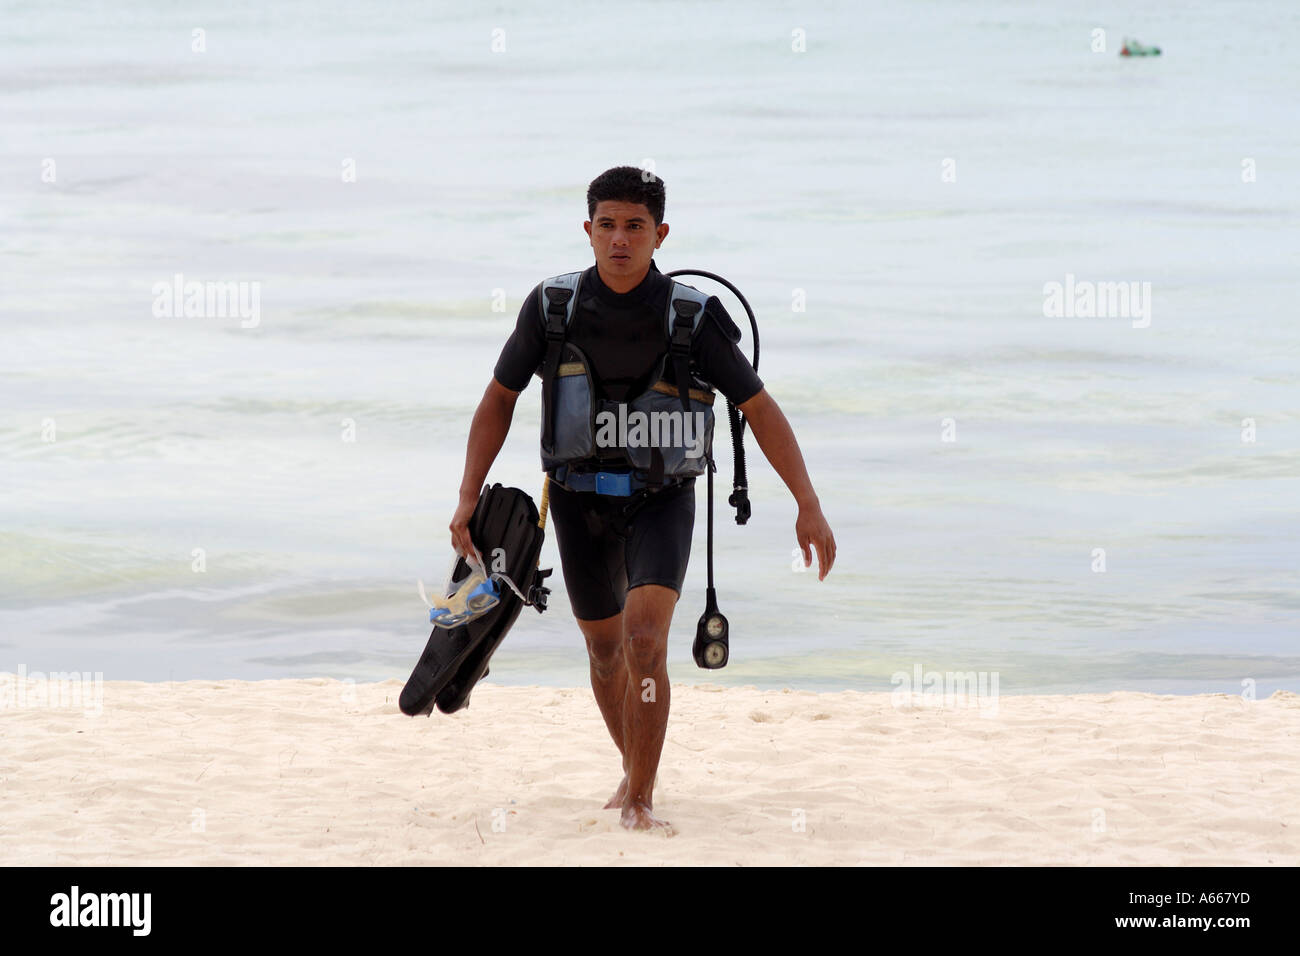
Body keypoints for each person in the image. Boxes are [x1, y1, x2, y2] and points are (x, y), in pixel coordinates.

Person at [450, 166, 835, 831]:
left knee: (646, 639)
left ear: (659, 234)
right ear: (588, 230)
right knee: (604, 654)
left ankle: (640, 799)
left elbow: (760, 407)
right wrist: (465, 500)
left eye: (634, 227)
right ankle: (634, 766)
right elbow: (498, 399)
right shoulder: (552, 309)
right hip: (576, 500)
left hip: (662, 499)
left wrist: (808, 501)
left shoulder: (691, 319)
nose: (619, 241)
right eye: (607, 225)